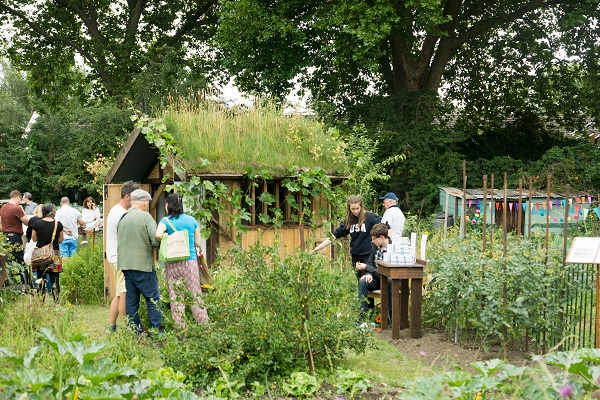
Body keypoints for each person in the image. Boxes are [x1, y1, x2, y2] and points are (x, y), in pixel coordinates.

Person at [155, 193, 209, 329]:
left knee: (176, 297)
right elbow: (197, 242)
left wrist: (169, 238)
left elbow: (158, 234)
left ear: (167, 206)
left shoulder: (165, 221)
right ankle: (203, 326)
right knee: (195, 294)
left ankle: (180, 329)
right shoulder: (191, 220)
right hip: (190, 262)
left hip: (172, 263)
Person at [117, 189, 162, 334]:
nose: (147, 204)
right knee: (153, 299)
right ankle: (156, 331)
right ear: (144, 201)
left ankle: (135, 330)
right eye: (147, 202)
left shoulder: (123, 217)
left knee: (132, 299)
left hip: (126, 265)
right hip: (142, 265)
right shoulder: (146, 217)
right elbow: (155, 241)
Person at [312, 195, 382, 271]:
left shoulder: (370, 217)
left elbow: (385, 228)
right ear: (349, 208)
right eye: (353, 209)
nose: (355, 211)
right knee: (359, 281)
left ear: (361, 206)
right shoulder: (349, 220)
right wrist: (319, 247)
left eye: (357, 208)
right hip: (355, 256)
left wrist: (387, 245)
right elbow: (335, 235)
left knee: (365, 280)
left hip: (368, 255)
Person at [106, 181, 138, 332]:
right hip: (120, 258)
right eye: (135, 198)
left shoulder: (114, 210)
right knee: (125, 293)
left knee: (119, 294)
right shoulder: (122, 214)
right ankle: (128, 328)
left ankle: (112, 326)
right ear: (127, 197)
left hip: (114, 256)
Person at [355, 223, 393, 322]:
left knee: (389, 281)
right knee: (363, 281)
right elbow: (370, 262)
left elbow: (386, 272)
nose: (372, 241)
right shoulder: (375, 247)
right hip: (377, 279)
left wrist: (367, 268)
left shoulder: (392, 249)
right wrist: (368, 274)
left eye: (374, 239)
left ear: (381, 237)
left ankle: (391, 317)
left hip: (389, 280)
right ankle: (362, 316)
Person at [31, 203, 64, 301]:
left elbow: (34, 238)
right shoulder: (58, 224)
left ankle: (41, 302)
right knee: (55, 280)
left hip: (40, 255)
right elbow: (60, 240)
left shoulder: (37, 223)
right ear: (53, 211)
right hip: (54, 254)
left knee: (41, 279)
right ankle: (56, 302)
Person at [0, 190, 30, 285]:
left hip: (5, 237)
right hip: (15, 237)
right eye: (20, 200)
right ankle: (27, 285)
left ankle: (9, 284)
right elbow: (27, 222)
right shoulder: (16, 208)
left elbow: (0, 226)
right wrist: (22, 210)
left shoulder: (2, 208)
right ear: (17, 197)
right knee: (21, 261)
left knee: (7, 262)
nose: (19, 202)